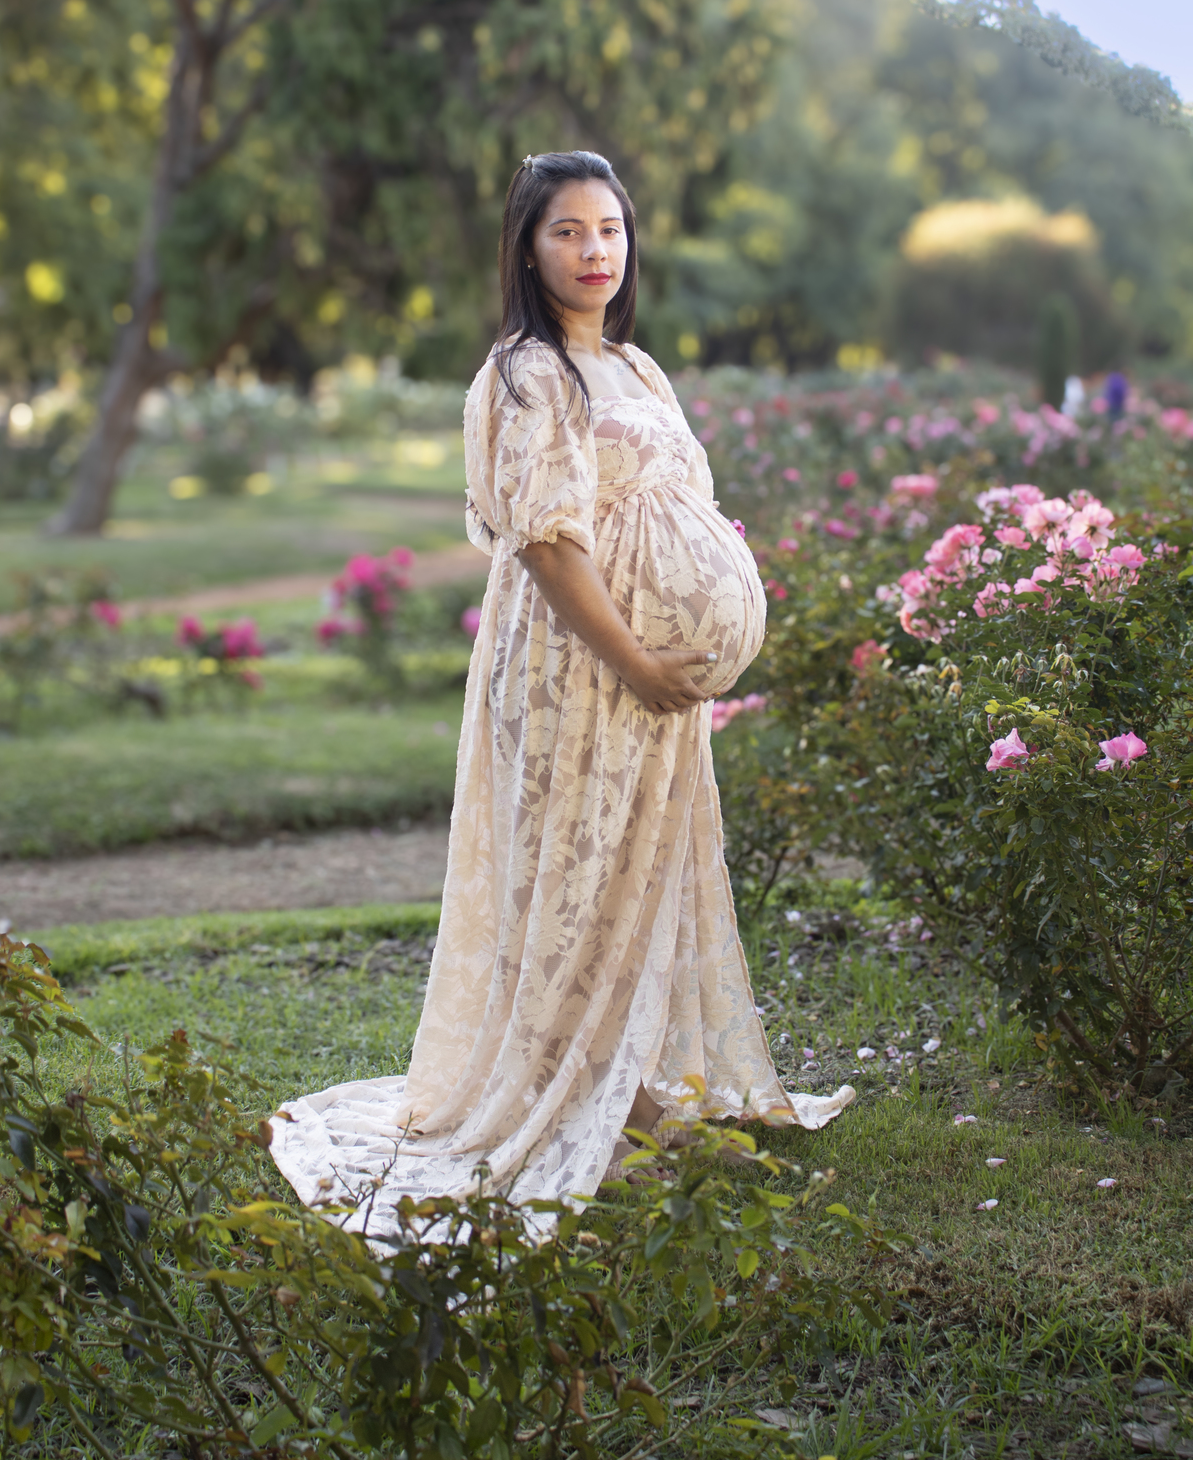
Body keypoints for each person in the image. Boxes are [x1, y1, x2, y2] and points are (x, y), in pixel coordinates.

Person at [269, 150, 853, 1227]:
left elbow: (673, 505)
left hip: (656, 684)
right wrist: (637, 658)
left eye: (610, 230)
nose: (594, 252)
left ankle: (631, 1092)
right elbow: (541, 544)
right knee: (572, 878)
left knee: (643, 869)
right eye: (568, 232)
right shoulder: (528, 372)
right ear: (527, 247)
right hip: (576, 669)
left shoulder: (641, 369)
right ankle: (580, 1101)